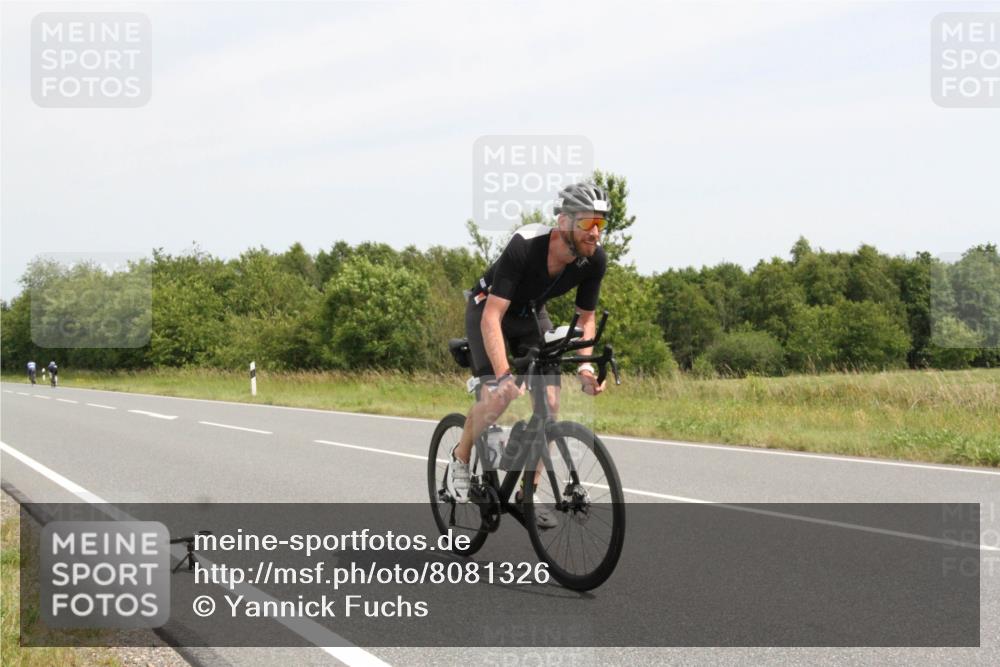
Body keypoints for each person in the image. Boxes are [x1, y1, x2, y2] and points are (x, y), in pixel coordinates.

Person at [447, 182, 610, 527]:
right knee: (498, 394)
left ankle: (527, 493)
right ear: (564, 221)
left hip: (532, 314)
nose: (595, 233)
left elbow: (587, 318)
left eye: (601, 224)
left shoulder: (594, 260)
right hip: (488, 310)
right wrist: (506, 375)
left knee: (549, 407)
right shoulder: (527, 244)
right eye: (587, 223)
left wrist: (584, 369)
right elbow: (492, 317)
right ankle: (460, 459)